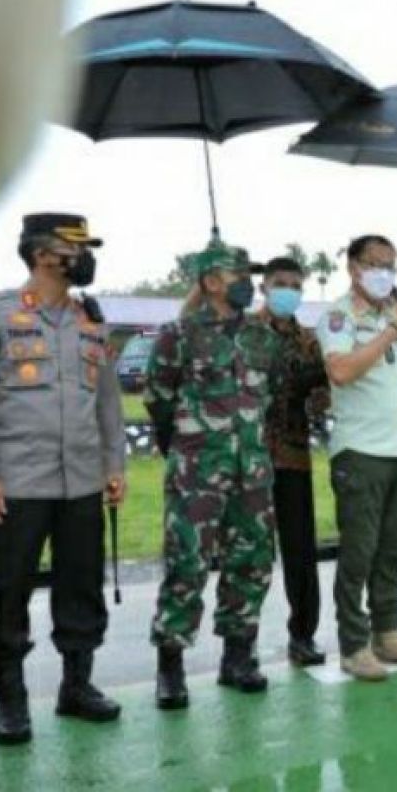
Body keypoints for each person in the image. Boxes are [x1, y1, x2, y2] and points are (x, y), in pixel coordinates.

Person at [0, 213, 125, 745]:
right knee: (9, 590)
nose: (84, 259)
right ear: (43, 255)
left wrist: (115, 467)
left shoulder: (91, 321)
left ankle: (76, 687)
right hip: (16, 484)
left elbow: (108, 403)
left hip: (82, 482)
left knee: (81, 586)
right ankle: (11, 702)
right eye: (74, 249)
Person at [147, 241, 280, 709]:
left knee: (253, 562)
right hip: (197, 472)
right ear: (209, 282)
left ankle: (238, 658)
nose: (247, 281)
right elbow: (159, 399)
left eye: (249, 273)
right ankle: (170, 667)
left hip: (254, 474)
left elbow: (273, 399)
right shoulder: (179, 335)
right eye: (236, 273)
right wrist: (187, 452)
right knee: (187, 564)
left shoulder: (263, 338)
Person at [316, 234, 397, 681]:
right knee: (359, 552)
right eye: (374, 263)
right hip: (359, 453)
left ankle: (388, 633)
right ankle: (353, 645)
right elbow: (341, 371)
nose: (383, 271)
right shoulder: (338, 316)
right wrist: (391, 331)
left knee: (394, 548)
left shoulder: (392, 316)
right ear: (352, 267)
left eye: (391, 264)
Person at [254, 257, 330, 667]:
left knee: (300, 552)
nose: (288, 290)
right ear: (264, 287)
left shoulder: (308, 341)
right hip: (249, 460)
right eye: (279, 283)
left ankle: (303, 635)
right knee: (248, 553)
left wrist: (318, 388)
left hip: (295, 459)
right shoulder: (245, 334)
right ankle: (240, 642)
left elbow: (322, 404)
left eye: (294, 285)